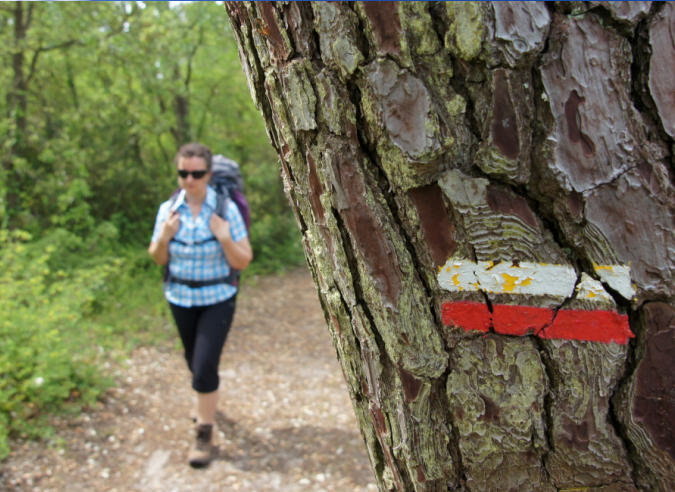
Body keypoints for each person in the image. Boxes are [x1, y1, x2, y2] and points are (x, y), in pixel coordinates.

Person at [148, 142, 252, 467]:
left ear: (208, 174)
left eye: (196, 173)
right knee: (192, 359)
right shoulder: (169, 210)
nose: (189, 179)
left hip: (217, 298)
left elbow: (244, 259)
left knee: (205, 365)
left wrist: (224, 236)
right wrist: (164, 237)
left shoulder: (225, 211)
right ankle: (205, 397)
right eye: (183, 172)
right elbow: (157, 257)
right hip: (180, 297)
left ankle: (203, 433)